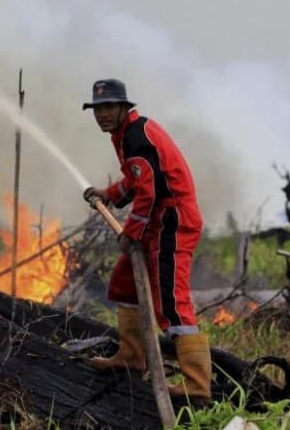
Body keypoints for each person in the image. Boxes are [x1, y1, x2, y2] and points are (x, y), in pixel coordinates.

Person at [82, 78, 211, 404]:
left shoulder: (136, 137)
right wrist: (108, 194)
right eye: (98, 109)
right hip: (156, 219)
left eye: (109, 107)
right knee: (124, 283)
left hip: (173, 222)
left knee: (172, 303)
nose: (103, 115)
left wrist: (131, 233)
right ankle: (132, 356)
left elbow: (149, 193)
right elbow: (138, 181)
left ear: (125, 107)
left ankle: (197, 387)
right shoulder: (128, 134)